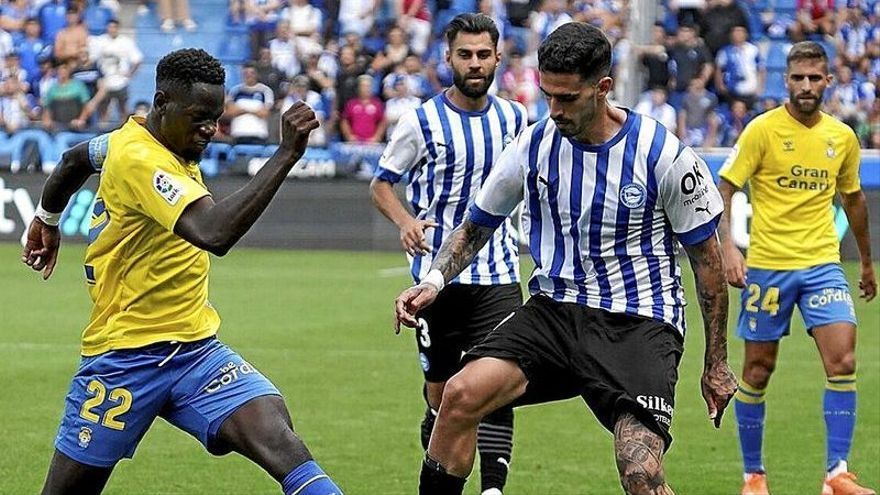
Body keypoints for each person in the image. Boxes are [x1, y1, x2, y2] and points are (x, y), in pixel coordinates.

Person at [393, 22, 738, 495]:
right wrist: (432, 280)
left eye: (567, 98)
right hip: (554, 313)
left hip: (638, 321)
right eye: (547, 95)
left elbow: (708, 262)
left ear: (602, 88)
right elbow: (476, 226)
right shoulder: (534, 144)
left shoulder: (662, 153)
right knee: (458, 395)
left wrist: (715, 362)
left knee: (640, 472)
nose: (553, 110)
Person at [21, 48, 342, 495]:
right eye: (198, 117)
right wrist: (286, 154)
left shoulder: (122, 142)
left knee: (282, 442)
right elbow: (214, 232)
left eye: (216, 116)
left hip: (196, 352)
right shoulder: (140, 158)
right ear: (161, 102)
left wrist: (47, 218)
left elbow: (76, 159)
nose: (210, 129)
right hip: (126, 358)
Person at [372, 13, 528, 495]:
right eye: (465, 54)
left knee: (495, 382)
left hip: (499, 274)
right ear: (448, 58)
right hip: (435, 282)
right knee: (442, 396)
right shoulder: (420, 121)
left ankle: (493, 489)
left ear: (498, 57)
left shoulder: (517, 118)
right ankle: (440, 473)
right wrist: (405, 222)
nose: (475, 63)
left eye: (484, 54)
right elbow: (382, 183)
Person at [718, 41, 877, 495]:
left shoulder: (842, 137)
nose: (806, 86)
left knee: (843, 359)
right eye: (798, 78)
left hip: (823, 264)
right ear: (785, 81)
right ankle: (754, 476)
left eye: (814, 78)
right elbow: (724, 187)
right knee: (757, 371)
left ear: (828, 80)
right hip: (767, 268)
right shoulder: (762, 131)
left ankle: (836, 475)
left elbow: (854, 200)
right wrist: (729, 248)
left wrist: (866, 263)